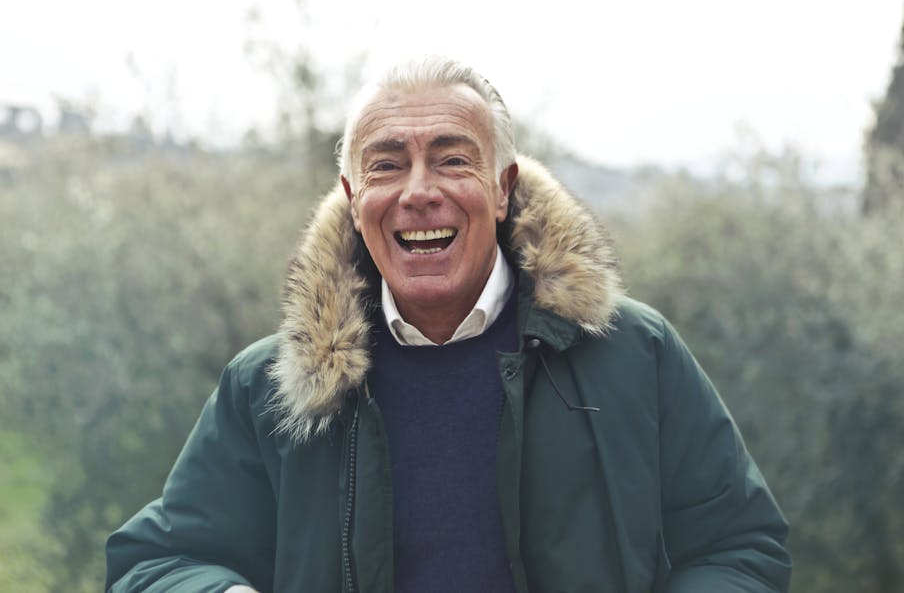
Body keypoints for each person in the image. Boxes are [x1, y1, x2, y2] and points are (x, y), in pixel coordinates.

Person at [105, 56, 791, 593]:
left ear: (502, 187)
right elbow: (156, 560)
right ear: (352, 197)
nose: (418, 190)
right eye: (387, 164)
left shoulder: (634, 354)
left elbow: (740, 546)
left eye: (452, 157)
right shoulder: (272, 388)